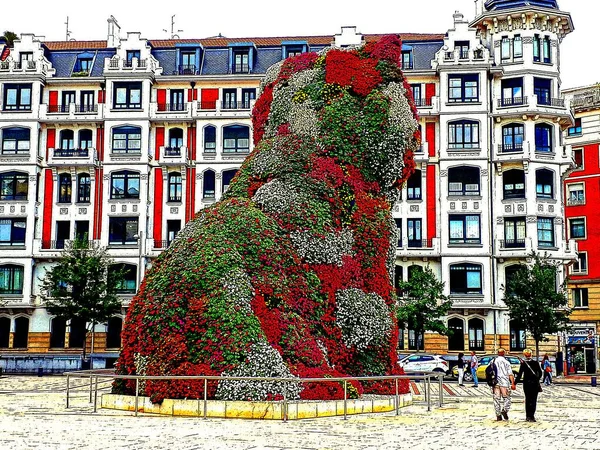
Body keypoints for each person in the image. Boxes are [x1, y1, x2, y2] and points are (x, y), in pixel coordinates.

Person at [515, 348, 543, 422]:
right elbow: (540, 373)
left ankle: (528, 416)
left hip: (527, 384)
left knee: (528, 400)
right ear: (531, 354)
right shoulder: (536, 363)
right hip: (535, 384)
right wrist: (537, 379)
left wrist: (514, 383)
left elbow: (520, 374)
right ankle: (532, 416)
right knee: (534, 400)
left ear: (524, 355)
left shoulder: (523, 364)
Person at [491, 348, 516, 421]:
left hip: (495, 383)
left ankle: (498, 415)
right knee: (507, 398)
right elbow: (510, 374)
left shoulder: (493, 361)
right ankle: (504, 410)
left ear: (498, 353)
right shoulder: (506, 362)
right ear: (504, 353)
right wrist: (513, 383)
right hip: (504, 383)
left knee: (496, 399)